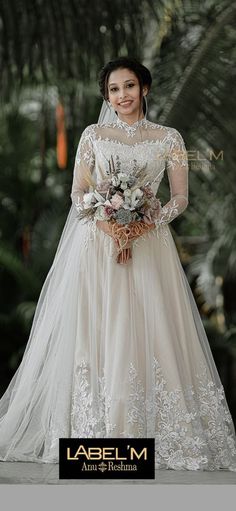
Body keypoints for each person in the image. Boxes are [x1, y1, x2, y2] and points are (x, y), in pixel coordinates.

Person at [0, 56, 236, 472]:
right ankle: (98, 432)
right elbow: (77, 194)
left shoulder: (169, 138)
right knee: (101, 328)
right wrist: (106, 220)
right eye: (113, 90)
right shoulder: (93, 135)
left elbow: (180, 197)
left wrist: (148, 220)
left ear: (144, 88)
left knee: (152, 327)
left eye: (128, 86)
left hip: (150, 246)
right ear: (106, 96)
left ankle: (152, 432)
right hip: (98, 247)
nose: (121, 96)